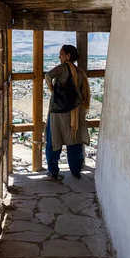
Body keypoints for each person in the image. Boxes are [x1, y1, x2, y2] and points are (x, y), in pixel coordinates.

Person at [44, 44, 91, 180]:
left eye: (61, 54)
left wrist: (52, 89)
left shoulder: (63, 68)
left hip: (58, 112)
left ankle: (53, 172)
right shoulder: (80, 72)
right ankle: (76, 171)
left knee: (54, 140)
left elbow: (48, 75)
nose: (60, 57)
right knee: (74, 141)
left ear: (68, 56)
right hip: (75, 112)